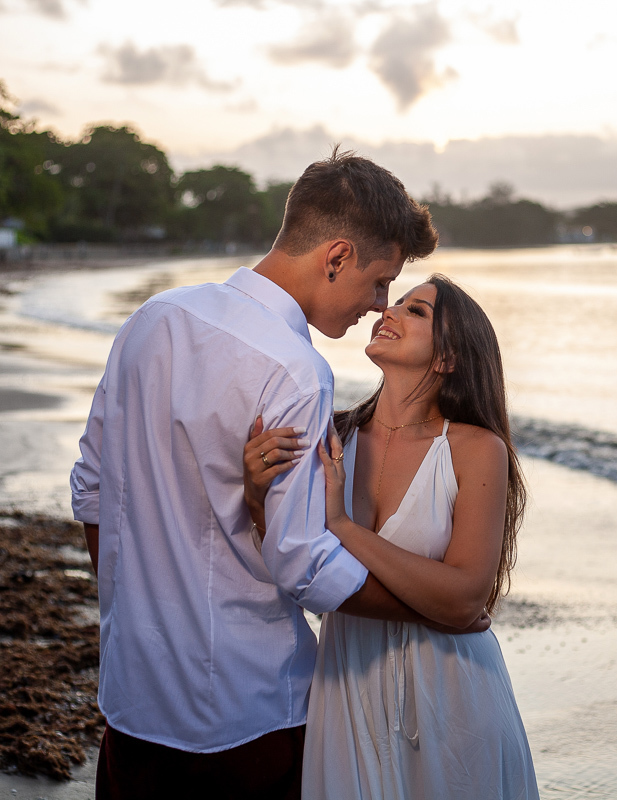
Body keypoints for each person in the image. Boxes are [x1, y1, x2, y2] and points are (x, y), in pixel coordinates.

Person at [69, 148, 476, 799]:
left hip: (133, 700)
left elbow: (91, 491)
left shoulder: (152, 319)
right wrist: (433, 612)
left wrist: (136, 616)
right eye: (378, 281)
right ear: (336, 256)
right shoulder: (293, 367)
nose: (379, 305)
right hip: (247, 711)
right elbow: (301, 561)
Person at [245, 274, 541, 799]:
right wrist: (255, 494)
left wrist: (342, 528)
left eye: (417, 311)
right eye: (396, 301)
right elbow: (291, 570)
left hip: (451, 696)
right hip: (344, 688)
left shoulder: (474, 449)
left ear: (449, 357)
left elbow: (467, 597)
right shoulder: (330, 435)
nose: (391, 311)